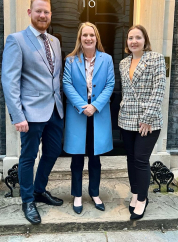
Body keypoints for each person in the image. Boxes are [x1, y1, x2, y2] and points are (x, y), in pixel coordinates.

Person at [1, 0, 64, 225]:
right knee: (28, 157)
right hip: (30, 113)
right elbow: (10, 81)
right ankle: (27, 200)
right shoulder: (16, 40)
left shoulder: (55, 41)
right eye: (38, 11)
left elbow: (54, 76)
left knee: (53, 151)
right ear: (30, 12)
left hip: (55, 110)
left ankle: (39, 190)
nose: (43, 15)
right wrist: (18, 115)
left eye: (46, 12)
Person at [63, 22, 115, 214]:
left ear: (96, 37)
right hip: (78, 113)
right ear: (80, 38)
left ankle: (94, 193)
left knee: (95, 158)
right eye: (84, 35)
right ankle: (77, 195)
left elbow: (110, 84)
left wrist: (95, 106)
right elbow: (66, 84)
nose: (88, 38)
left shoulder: (107, 59)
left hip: (98, 113)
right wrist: (82, 106)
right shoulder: (70, 60)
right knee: (77, 158)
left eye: (91, 35)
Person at [118, 25, 166, 220]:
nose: (134, 41)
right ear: (127, 42)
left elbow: (159, 89)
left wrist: (147, 118)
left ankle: (143, 199)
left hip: (149, 121)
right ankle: (135, 192)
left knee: (140, 159)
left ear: (145, 40)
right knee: (130, 158)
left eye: (138, 37)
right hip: (127, 118)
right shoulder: (123, 63)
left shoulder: (156, 59)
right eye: (130, 38)